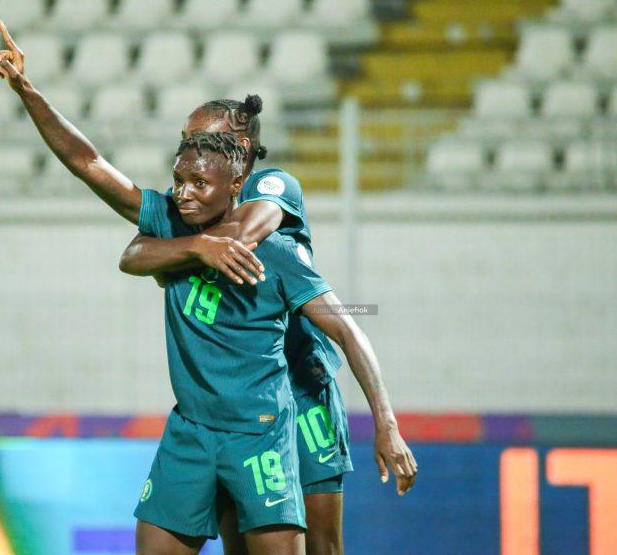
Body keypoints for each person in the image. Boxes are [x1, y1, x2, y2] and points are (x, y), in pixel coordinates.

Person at [0, 21, 417, 555]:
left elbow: (258, 242)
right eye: (184, 152)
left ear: (238, 159)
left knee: (322, 542)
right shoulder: (181, 214)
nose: (187, 161)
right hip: (206, 418)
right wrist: (27, 90)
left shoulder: (273, 198)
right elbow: (95, 176)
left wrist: (386, 423)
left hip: (294, 393)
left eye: (200, 145)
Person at [119, 98, 417, 555]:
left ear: (239, 147)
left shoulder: (273, 188)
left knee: (321, 543)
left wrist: (184, 246)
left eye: (200, 137)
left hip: (303, 390)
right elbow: (132, 247)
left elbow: (247, 235)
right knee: (241, 543)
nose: (190, 146)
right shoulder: (195, 197)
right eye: (186, 140)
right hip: (244, 403)